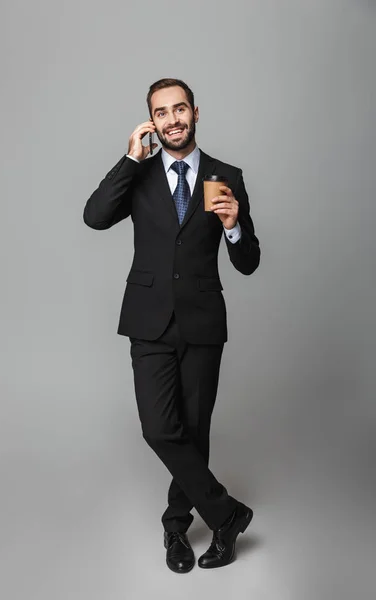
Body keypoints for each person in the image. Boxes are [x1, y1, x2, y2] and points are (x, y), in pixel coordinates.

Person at [83, 78, 261, 572]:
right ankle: (226, 513)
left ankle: (177, 529)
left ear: (195, 113)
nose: (172, 119)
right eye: (161, 113)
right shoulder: (137, 177)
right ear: (152, 122)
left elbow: (248, 262)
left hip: (204, 322)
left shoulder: (226, 175)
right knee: (161, 428)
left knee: (195, 430)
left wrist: (234, 226)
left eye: (179, 109)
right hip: (149, 320)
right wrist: (129, 160)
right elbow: (94, 217)